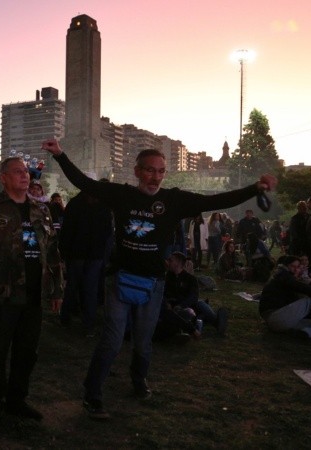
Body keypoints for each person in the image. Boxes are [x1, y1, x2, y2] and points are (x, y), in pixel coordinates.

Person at [41, 138, 277, 420]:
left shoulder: (174, 200)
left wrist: (254, 188)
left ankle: (139, 380)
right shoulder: (122, 195)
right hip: (120, 280)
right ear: (138, 171)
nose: (155, 177)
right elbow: (84, 183)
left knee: (143, 340)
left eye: (161, 171)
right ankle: (92, 394)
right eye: (150, 170)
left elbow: (217, 200)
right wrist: (60, 155)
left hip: (153, 283)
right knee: (112, 341)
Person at [0, 155, 63, 435]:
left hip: (34, 294)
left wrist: (56, 288)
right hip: (2, 295)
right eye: (17, 172)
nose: (24, 176)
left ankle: (16, 400)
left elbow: (53, 251)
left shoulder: (41, 210)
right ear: (3, 177)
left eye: (25, 171)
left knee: (27, 353)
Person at [59, 190, 113, 336]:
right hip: (94, 254)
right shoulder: (103, 206)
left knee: (73, 286)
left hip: (78, 253)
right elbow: (108, 231)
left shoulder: (75, 204)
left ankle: (66, 318)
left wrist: (64, 252)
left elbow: (66, 230)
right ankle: (87, 323)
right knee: (90, 289)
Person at [259, 255, 311, 338]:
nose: (296, 269)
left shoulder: (282, 276)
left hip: (278, 320)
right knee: (310, 301)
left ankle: (306, 333)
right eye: (292, 266)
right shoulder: (283, 276)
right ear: (286, 266)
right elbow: (305, 288)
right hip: (275, 317)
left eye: (297, 267)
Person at [165, 252, 228, 336]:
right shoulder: (167, 277)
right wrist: (167, 303)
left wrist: (182, 305)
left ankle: (217, 323)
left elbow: (193, 296)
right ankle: (206, 321)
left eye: (171, 260)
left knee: (200, 304)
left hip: (188, 305)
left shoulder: (190, 279)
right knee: (198, 311)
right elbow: (163, 293)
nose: (168, 262)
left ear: (178, 263)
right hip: (174, 307)